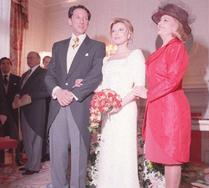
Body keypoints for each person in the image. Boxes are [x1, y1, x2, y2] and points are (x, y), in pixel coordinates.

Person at [45, 4, 105, 188]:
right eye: (78, 17)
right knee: (57, 155)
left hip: (79, 107)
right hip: (57, 107)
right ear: (69, 20)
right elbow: (50, 74)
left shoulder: (97, 46)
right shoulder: (58, 46)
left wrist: (72, 93)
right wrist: (57, 91)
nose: (82, 21)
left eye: (86, 18)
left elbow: (96, 75)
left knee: (79, 156)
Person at [133, 3, 192, 188]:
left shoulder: (177, 47)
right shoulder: (161, 50)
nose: (160, 22)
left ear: (177, 26)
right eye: (160, 20)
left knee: (172, 157)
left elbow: (173, 79)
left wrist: (148, 92)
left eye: (165, 19)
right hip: (159, 107)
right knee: (164, 156)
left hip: (171, 109)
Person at [95, 18, 145, 188]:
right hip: (108, 111)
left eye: (121, 30)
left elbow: (138, 88)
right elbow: (103, 85)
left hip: (125, 109)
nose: (116, 33)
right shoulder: (106, 60)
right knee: (108, 150)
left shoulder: (136, 54)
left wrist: (118, 104)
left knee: (123, 151)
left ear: (129, 34)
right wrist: (98, 99)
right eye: (114, 30)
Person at [18, 51, 49, 175]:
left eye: (31, 57)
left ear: (38, 59)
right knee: (26, 139)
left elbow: (47, 91)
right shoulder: (25, 74)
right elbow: (20, 90)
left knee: (35, 139)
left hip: (36, 110)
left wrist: (30, 96)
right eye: (27, 57)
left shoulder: (44, 73)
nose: (29, 59)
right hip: (24, 110)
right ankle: (29, 163)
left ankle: (34, 166)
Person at [0, 57, 23, 166]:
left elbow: (20, 93)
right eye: (3, 63)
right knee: (1, 136)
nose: (5, 65)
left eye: (7, 63)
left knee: (15, 135)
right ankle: (1, 160)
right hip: (0, 112)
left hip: (13, 112)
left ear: (11, 65)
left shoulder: (17, 79)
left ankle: (18, 158)